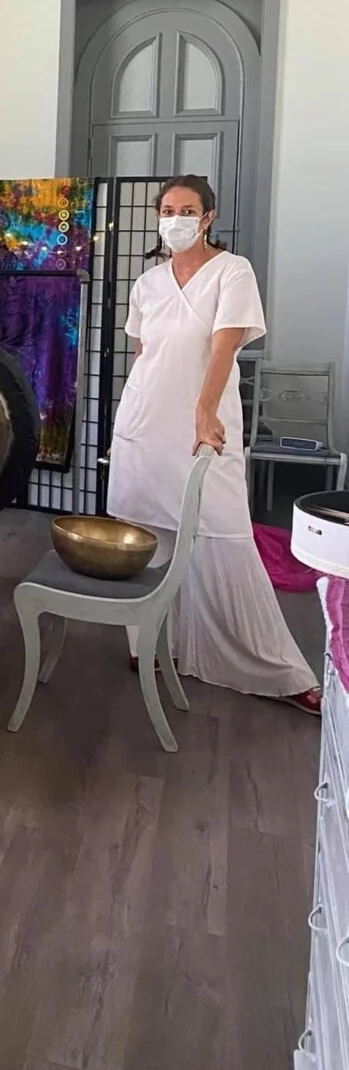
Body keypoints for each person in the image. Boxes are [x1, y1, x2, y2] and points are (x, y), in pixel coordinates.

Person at [107, 175, 320, 714]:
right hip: (144, 422)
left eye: (186, 209)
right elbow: (145, 355)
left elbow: (223, 349)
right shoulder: (148, 283)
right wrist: (131, 417)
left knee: (223, 532)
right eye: (166, 208)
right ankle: (149, 642)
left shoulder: (233, 271)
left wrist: (203, 412)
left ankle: (277, 668)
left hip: (206, 427)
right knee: (147, 532)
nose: (174, 217)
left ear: (207, 218)